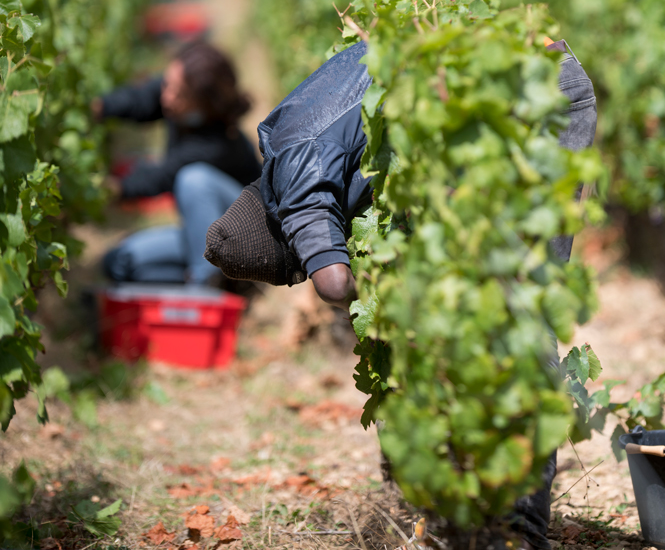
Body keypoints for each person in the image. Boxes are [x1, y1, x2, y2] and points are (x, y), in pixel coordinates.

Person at [204, 38, 597, 549]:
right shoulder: (286, 132)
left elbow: (334, 283)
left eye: (294, 268)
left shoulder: (297, 187)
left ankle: (518, 531)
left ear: (288, 242)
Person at [96, 41, 261, 286]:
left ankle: (205, 285)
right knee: (120, 262)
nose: (166, 97)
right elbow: (141, 100)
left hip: (250, 241)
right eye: (166, 85)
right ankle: (226, 282)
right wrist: (100, 108)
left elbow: (162, 175)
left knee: (194, 180)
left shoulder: (218, 143)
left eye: (179, 94)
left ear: (204, 104)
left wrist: (108, 190)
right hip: (207, 237)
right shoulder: (178, 102)